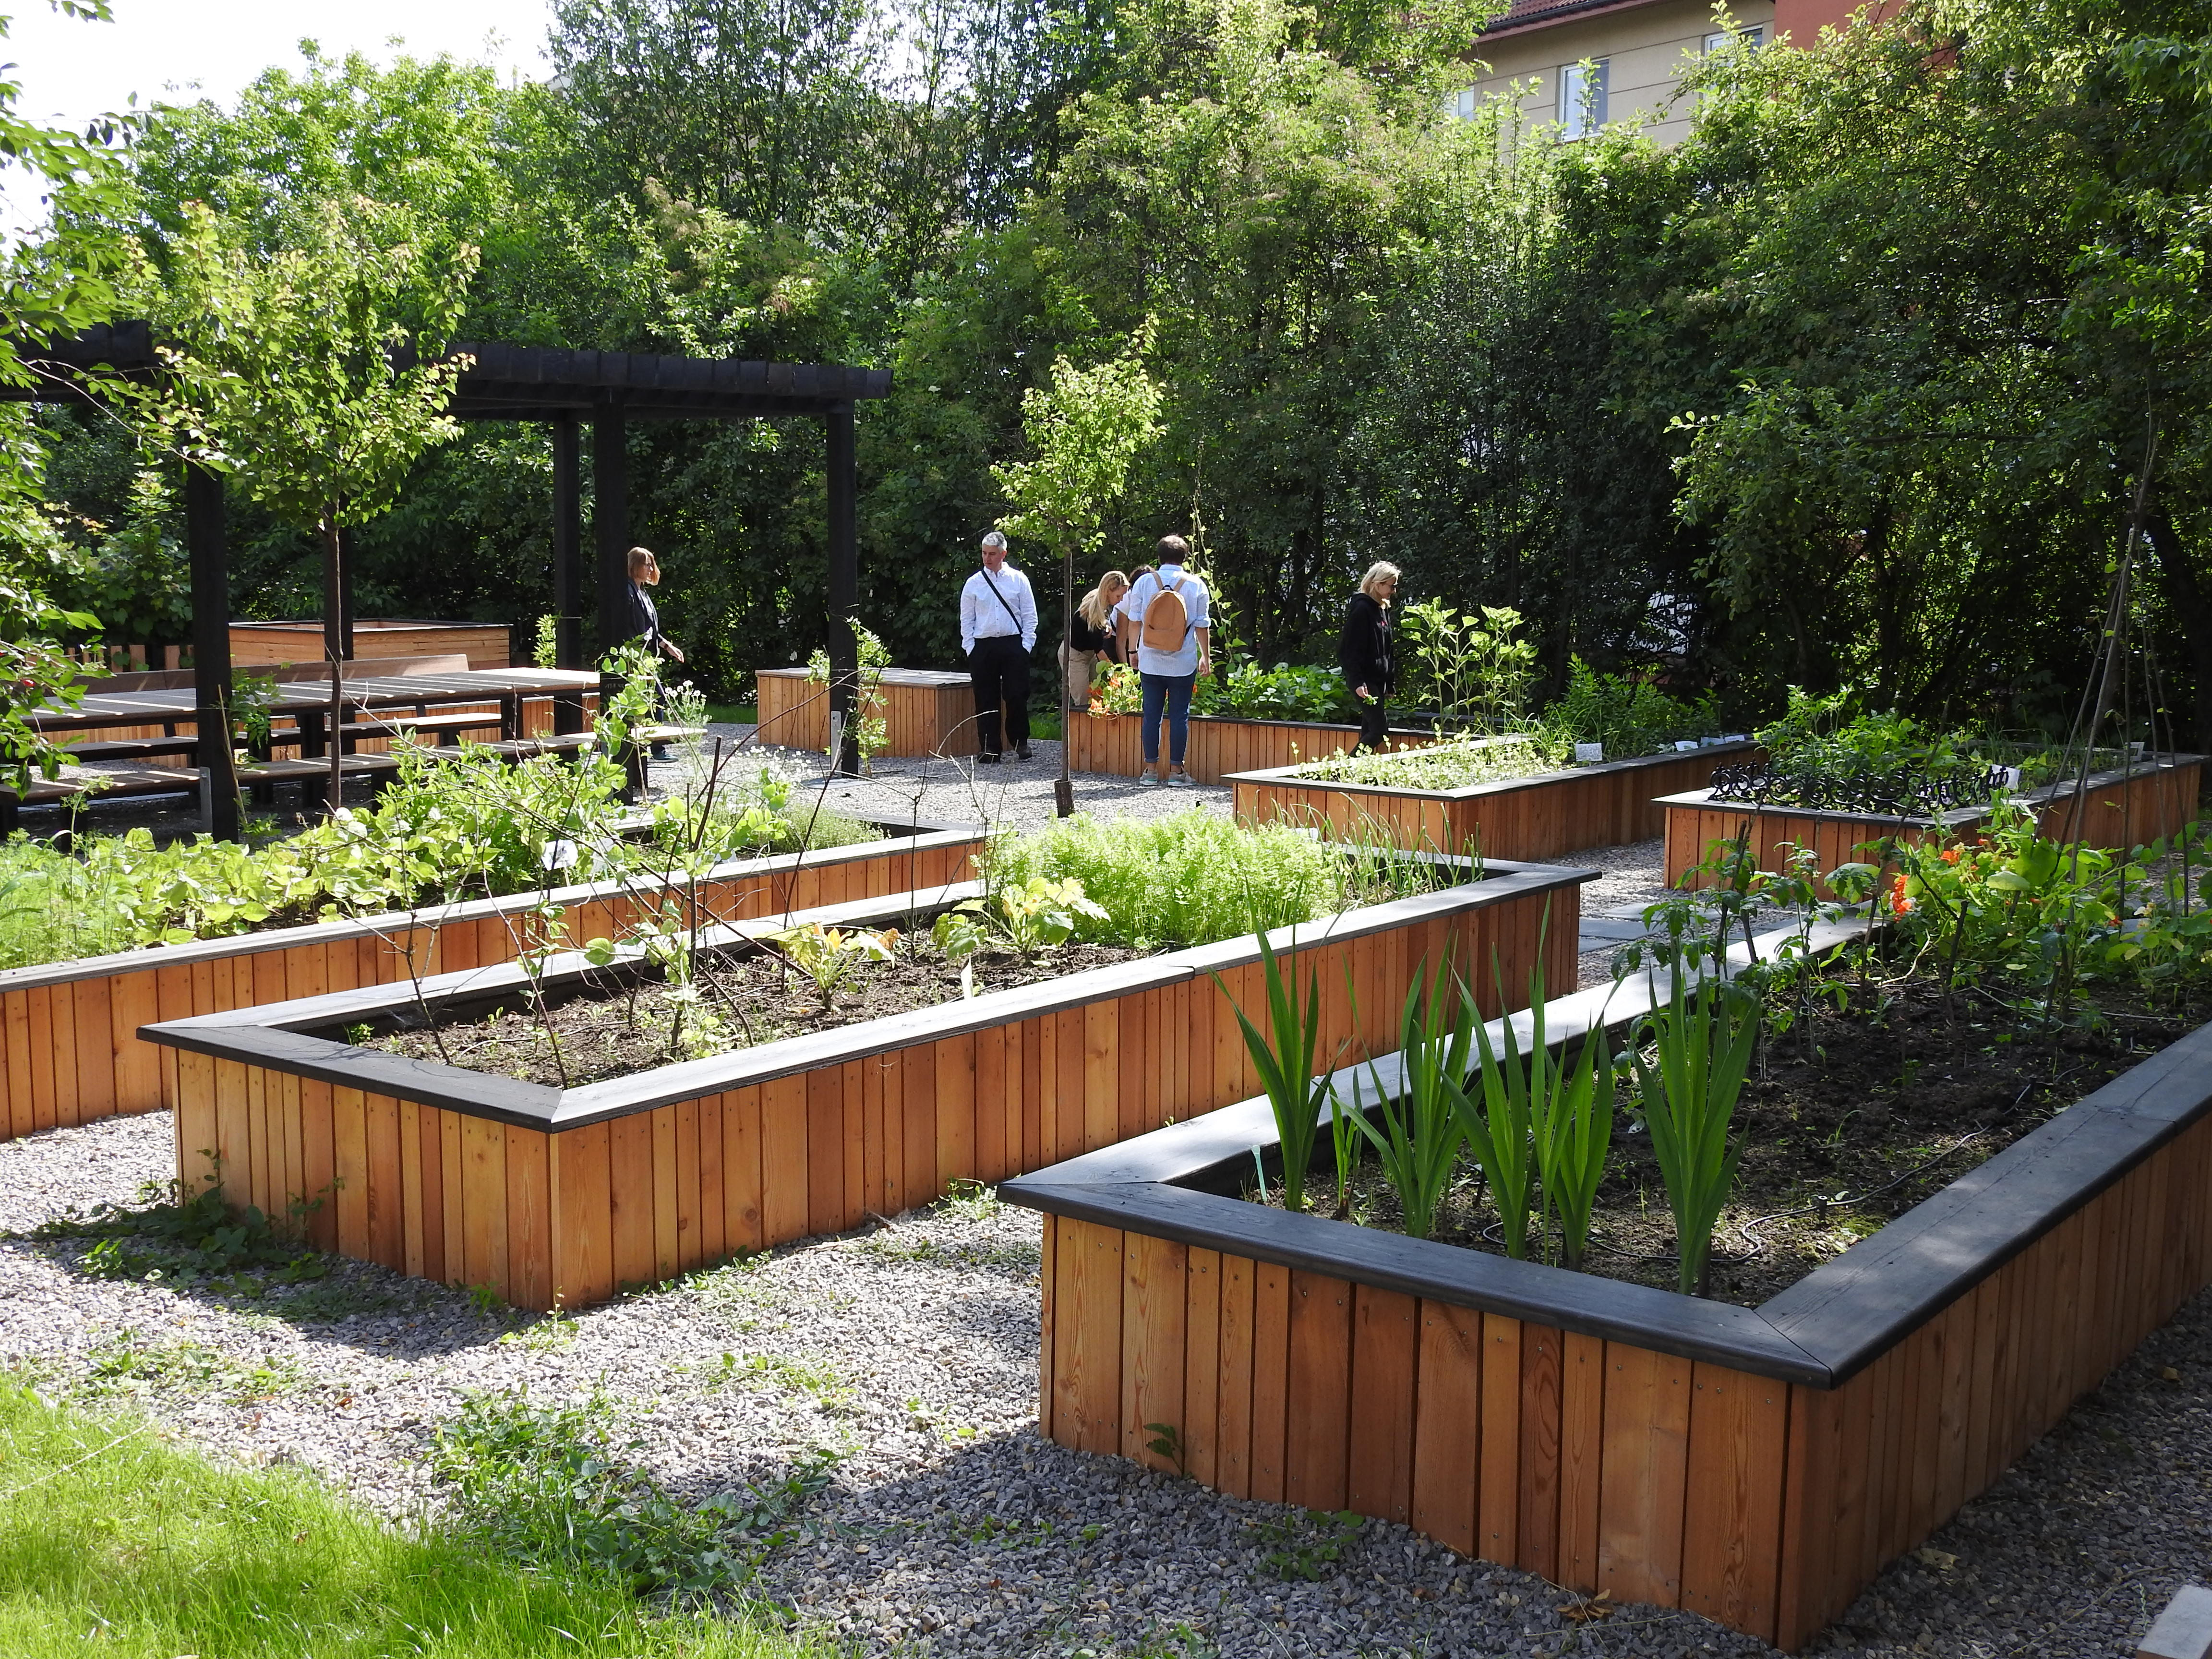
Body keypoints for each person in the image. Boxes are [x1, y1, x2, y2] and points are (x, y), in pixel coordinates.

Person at [1113, 537, 1211, 786]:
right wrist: (1206, 657)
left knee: (1151, 715)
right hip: (1183, 660)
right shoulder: (1196, 585)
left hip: (1150, 660)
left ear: (1159, 557)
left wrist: (1133, 651)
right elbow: (1202, 625)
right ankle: (1177, 772)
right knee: (1180, 716)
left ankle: (1150, 771)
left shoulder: (1145, 582)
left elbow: (1135, 621)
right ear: (1185, 558)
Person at [959, 530, 1038, 762]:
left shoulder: (1018, 580)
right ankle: (990, 747)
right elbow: (967, 620)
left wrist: (1026, 645)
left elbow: (1030, 615)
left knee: (1017, 695)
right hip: (983, 646)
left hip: (1013, 644)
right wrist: (970, 648)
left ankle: (1020, 741)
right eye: (984, 553)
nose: (987, 558)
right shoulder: (973, 584)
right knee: (985, 698)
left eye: (992, 554)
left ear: (1004, 554)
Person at [625, 546, 685, 759]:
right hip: (636, 658)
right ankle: (654, 749)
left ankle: (651, 749)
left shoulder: (642, 592)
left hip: (648, 657)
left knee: (653, 700)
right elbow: (632, 629)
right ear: (634, 566)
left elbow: (651, 629)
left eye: (652, 563)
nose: (651, 568)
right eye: (646, 563)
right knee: (654, 699)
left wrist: (668, 646)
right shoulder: (628, 592)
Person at [1339, 561, 1400, 752]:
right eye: (1391, 585)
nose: (1394, 590)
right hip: (1365, 680)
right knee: (1379, 730)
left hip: (1378, 680)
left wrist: (1389, 683)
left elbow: (1387, 649)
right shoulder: (1362, 610)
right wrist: (1358, 682)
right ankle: (1343, 770)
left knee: (1368, 730)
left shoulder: (1382, 609)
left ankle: (1357, 776)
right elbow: (1349, 650)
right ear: (1378, 584)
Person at [1063, 570, 1129, 709]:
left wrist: (1107, 625)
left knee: (1097, 695)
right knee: (1083, 700)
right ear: (1108, 591)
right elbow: (1100, 650)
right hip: (1075, 655)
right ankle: (1080, 730)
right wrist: (1117, 673)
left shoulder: (1099, 597)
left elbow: (1101, 626)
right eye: (1119, 595)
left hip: (1090, 653)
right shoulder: (1092, 612)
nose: (1121, 600)